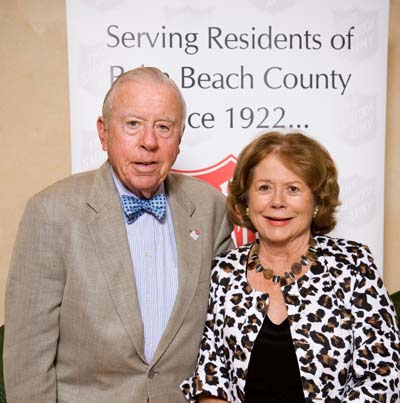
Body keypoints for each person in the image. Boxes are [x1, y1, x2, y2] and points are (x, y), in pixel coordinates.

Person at [4, 67, 233, 403]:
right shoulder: (52, 211)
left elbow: (223, 335)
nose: (149, 141)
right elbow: (28, 355)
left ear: (180, 138)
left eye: (164, 127)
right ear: (103, 132)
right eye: (133, 124)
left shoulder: (210, 207)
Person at [180, 131, 400, 403]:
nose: (277, 201)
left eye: (293, 188)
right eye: (264, 188)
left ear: (316, 201)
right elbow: (211, 379)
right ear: (246, 200)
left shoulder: (354, 266)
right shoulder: (224, 272)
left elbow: (383, 376)